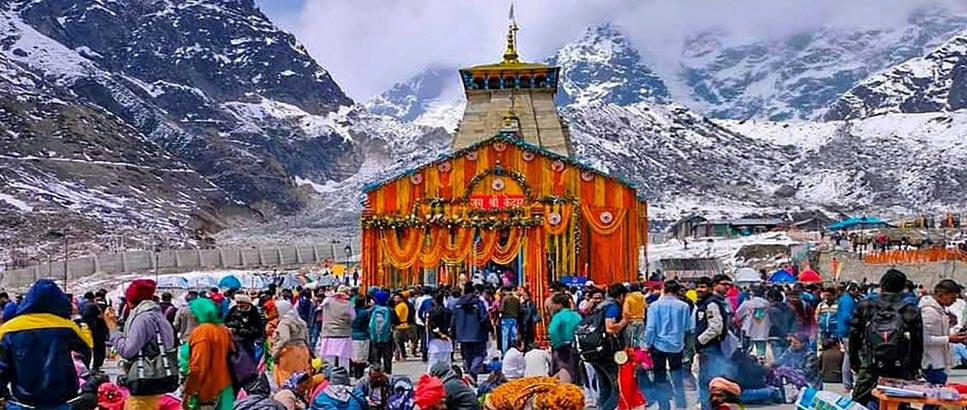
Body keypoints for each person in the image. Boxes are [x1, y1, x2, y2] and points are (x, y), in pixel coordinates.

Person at [0, 279, 93, 409]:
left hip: (23, 403)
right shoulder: (67, 327)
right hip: (61, 400)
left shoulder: (8, 329)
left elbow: (2, 367)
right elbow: (87, 350)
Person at [849, 269, 924, 408]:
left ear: (881, 285)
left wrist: (855, 362)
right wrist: (914, 368)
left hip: (870, 364)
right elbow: (917, 342)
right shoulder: (911, 309)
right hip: (899, 365)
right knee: (897, 402)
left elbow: (854, 336)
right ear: (903, 288)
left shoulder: (865, 305)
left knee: (860, 402)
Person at [111, 279, 178, 410]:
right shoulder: (158, 315)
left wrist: (112, 329)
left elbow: (128, 351)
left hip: (144, 379)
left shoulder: (143, 318)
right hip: (156, 377)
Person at [644, 280, 692, 410]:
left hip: (658, 345)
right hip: (677, 345)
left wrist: (646, 344)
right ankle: (681, 404)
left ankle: (663, 405)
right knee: (677, 374)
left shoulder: (654, 306)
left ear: (664, 290)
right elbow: (687, 327)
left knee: (660, 376)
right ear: (677, 291)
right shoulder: (684, 306)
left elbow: (650, 328)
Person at [919, 279, 966, 410]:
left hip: (939, 361)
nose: (954, 301)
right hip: (932, 362)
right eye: (952, 297)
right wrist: (949, 339)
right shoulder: (929, 311)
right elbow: (924, 338)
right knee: (932, 400)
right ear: (941, 295)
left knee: (935, 401)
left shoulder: (940, 310)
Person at [183, 297, 234, 410]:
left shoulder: (202, 332)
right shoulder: (223, 329)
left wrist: (189, 390)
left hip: (206, 390)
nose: (194, 315)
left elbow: (199, 365)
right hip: (224, 386)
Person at [695, 276, 731, 410]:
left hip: (710, 349)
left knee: (708, 382)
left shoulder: (711, 304)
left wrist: (700, 341)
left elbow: (716, 327)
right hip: (709, 349)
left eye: (703, 287)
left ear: (710, 288)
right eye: (698, 287)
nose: (699, 290)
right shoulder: (705, 303)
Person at [591, 283, 629, 410]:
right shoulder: (613, 306)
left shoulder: (600, 306)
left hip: (595, 350)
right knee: (616, 388)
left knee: (604, 386)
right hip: (607, 352)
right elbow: (610, 328)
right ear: (621, 296)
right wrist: (624, 322)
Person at [450, 284, 489, 380]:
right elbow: (484, 318)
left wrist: (454, 334)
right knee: (479, 355)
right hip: (478, 334)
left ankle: (471, 374)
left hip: (463, 335)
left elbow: (453, 321)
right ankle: (473, 371)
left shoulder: (458, 304)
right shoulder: (478, 303)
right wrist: (488, 330)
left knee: (467, 356)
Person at [273, 300, 312, 389]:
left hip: (289, 353)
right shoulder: (301, 321)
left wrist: (275, 353)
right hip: (303, 351)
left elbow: (285, 338)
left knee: (287, 379)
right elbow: (307, 339)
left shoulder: (285, 322)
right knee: (301, 379)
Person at [318, 286, 355, 373]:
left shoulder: (328, 301)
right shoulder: (348, 305)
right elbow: (353, 317)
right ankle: (343, 378)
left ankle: (329, 379)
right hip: (343, 335)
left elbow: (320, 307)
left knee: (329, 360)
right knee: (344, 360)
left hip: (328, 334)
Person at [548, 292, 582, 383]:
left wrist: (557, 343)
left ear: (559, 304)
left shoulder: (558, 316)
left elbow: (553, 331)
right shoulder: (577, 315)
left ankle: (565, 391)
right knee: (575, 369)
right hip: (576, 346)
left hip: (562, 347)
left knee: (564, 370)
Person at [225, 293, 264, 359]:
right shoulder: (234, 309)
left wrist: (239, 330)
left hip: (247, 343)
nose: (239, 305)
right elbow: (225, 321)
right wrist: (232, 327)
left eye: (242, 303)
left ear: (247, 303)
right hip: (233, 341)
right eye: (238, 303)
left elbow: (257, 331)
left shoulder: (254, 313)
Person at [836, 283, 860, 391]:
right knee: (851, 356)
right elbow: (846, 317)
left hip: (843, 331)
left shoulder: (845, 299)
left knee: (848, 356)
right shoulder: (848, 301)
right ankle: (848, 383)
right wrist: (859, 321)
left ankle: (847, 384)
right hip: (848, 332)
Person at [735, 287, 769, 358]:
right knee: (761, 354)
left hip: (748, 331)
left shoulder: (747, 304)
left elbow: (738, 314)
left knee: (747, 352)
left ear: (752, 294)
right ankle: (761, 364)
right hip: (763, 332)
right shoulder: (767, 304)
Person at [81, 289, 109, 372]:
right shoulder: (94, 306)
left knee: (87, 349)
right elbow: (101, 316)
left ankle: (87, 366)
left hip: (85, 329)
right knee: (98, 348)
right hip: (96, 330)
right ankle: (96, 366)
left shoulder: (82, 305)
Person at [426, 292, 454, 372]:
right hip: (447, 339)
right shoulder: (449, 311)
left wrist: (440, 334)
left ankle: (432, 375)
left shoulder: (431, 311)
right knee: (447, 360)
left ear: (434, 300)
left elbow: (431, 325)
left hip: (435, 339)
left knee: (433, 360)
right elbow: (452, 324)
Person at [370, 290, 395, 374]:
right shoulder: (390, 310)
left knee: (376, 356)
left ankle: (376, 373)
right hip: (387, 336)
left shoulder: (372, 310)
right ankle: (387, 373)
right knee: (387, 356)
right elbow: (397, 321)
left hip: (374, 336)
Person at [350, 295, 372, 379]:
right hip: (363, 335)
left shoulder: (352, 311)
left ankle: (356, 374)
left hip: (353, 335)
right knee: (363, 357)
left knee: (354, 357)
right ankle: (361, 374)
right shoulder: (365, 312)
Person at [497, 287, 520, 354]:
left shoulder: (505, 299)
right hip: (514, 318)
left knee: (505, 337)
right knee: (513, 336)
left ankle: (505, 353)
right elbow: (520, 309)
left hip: (506, 319)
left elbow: (501, 309)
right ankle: (514, 350)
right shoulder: (516, 299)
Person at [391, 292, 414, 361]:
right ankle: (401, 355)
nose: (395, 299)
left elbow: (396, 316)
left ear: (401, 298)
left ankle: (399, 356)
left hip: (399, 326)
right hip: (404, 325)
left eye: (397, 298)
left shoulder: (399, 306)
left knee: (397, 342)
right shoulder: (404, 305)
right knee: (400, 342)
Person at [624, 283, 647, 349]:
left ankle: (633, 355)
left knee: (631, 339)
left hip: (632, 321)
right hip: (641, 320)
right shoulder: (642, 297)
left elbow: (626, 311)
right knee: (640, 338)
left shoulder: (628, 298)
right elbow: (645, 306)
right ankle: (641, 354)